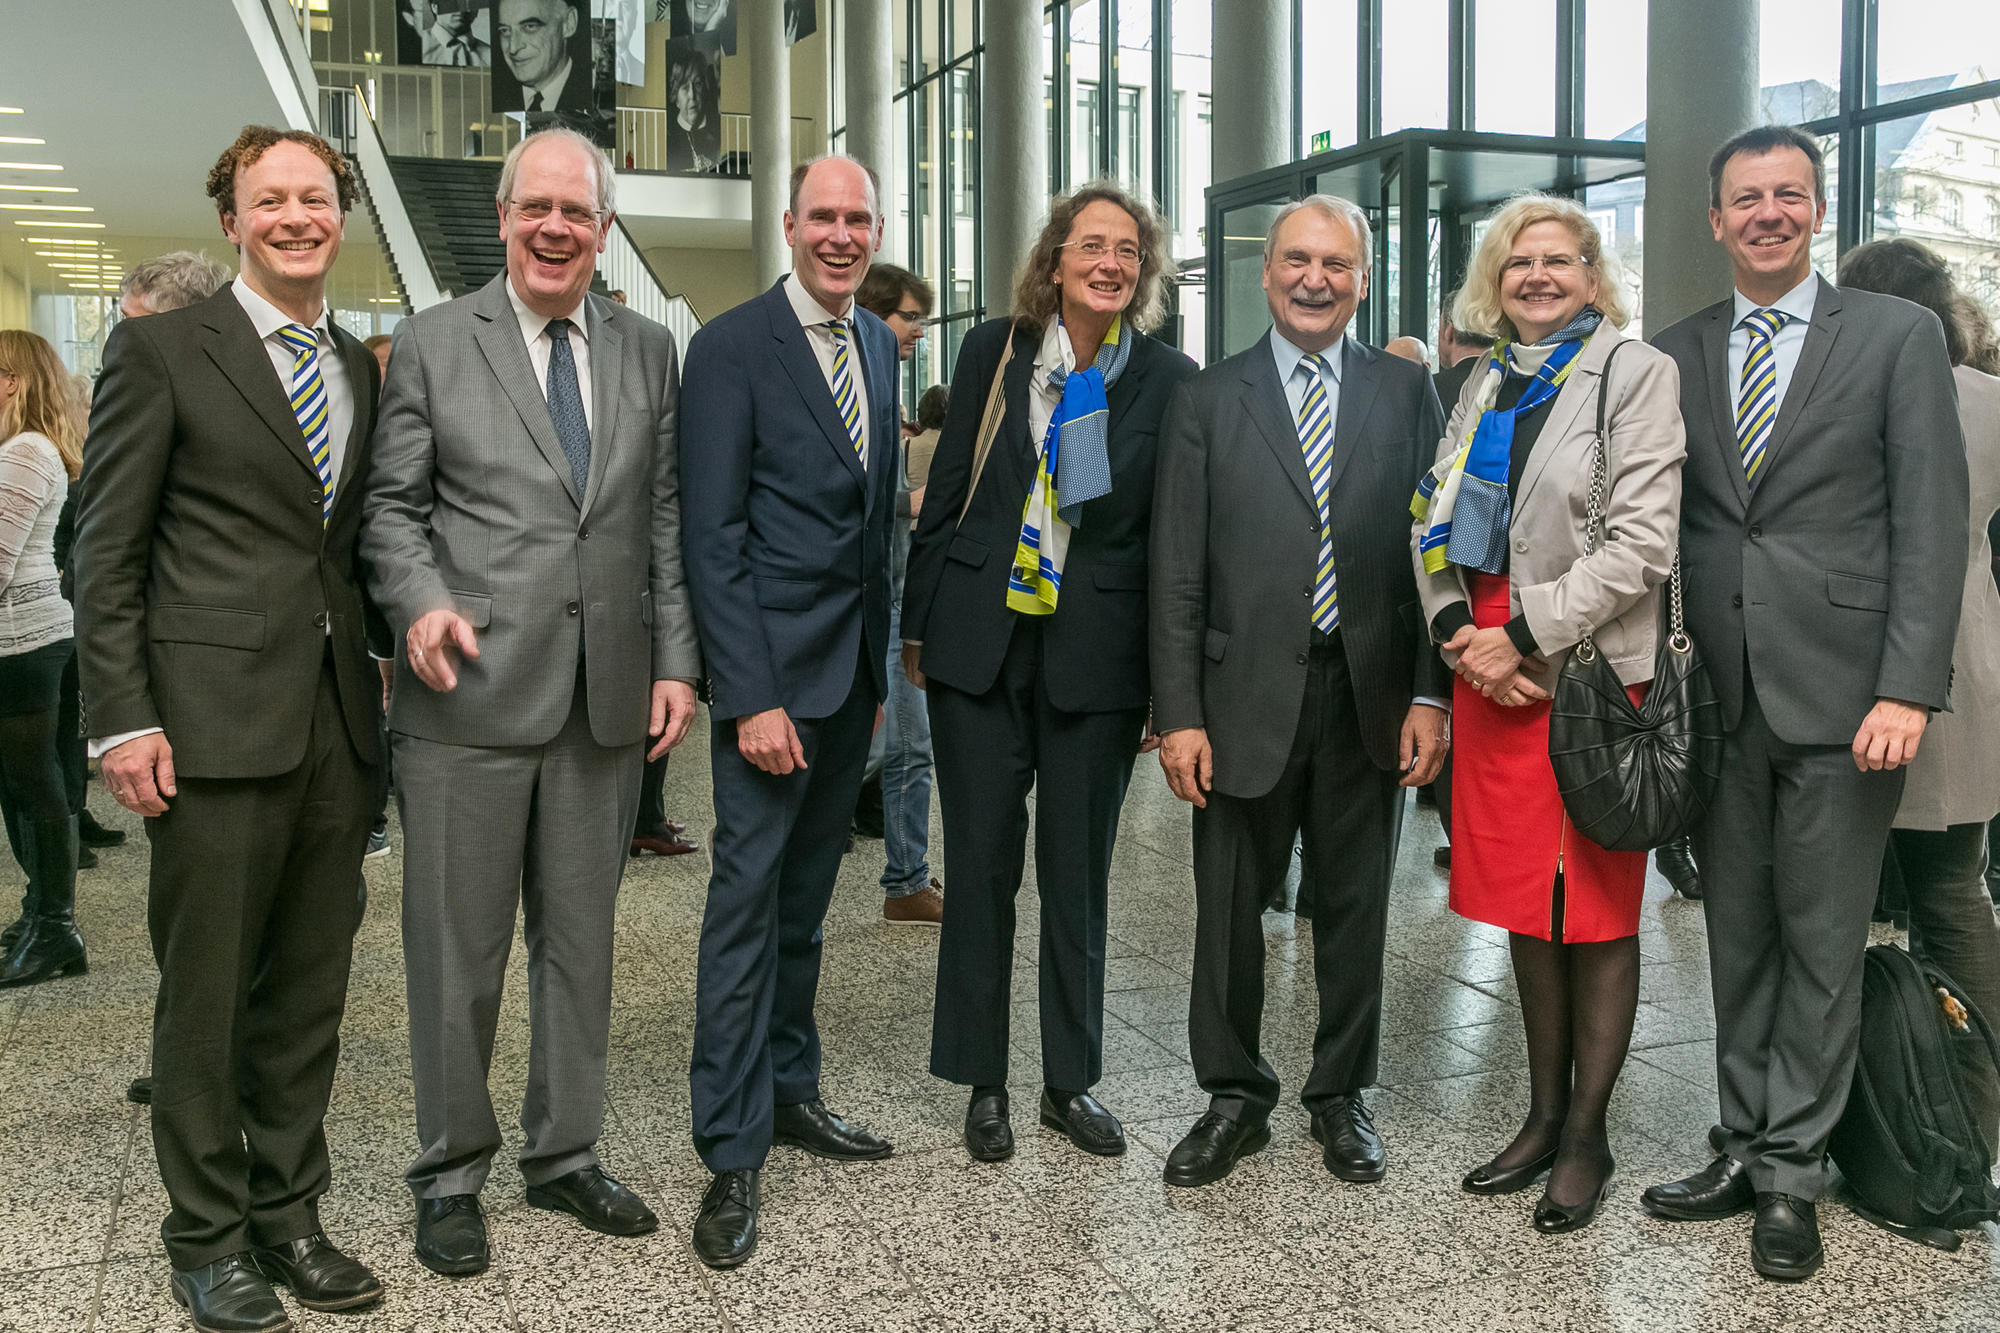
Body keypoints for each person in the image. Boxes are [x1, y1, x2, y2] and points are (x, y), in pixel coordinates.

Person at [361, 127, 700, 1277]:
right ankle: (451, 1170)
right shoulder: (429, 341)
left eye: (579, 211)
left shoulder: (649, 349)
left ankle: (564, 1155)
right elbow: (390, 513)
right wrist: (416, 602)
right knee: (457, 955)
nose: (556, 227)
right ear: (504, 216)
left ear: (604, 229)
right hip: (464, 701)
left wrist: (675, 662)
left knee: (582, 948)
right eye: (536, 207)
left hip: (603, 701)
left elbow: (659, 519)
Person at [75, 126, 389, 1332]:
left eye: (316, 197)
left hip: (334, 728)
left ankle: (288, 1212)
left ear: (339, 214)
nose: (296, 215)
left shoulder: (358, 368)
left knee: (309, 986)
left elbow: (344, 553)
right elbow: (107, 555)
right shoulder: (160, 350)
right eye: (272, 199)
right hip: (203, 727)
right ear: (233, 219)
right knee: (205, 993)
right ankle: (204, 1236)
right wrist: (120, 720)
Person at [1641, 125, 1967, 1283]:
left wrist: (1904, 687)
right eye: (1746, 197)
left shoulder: (1894, 336)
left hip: (1844, 702)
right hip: (1714, 701)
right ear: (1714, 221)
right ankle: (1738, 1137)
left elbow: (1929, 523)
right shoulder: (1668, 352)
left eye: (1788, 193)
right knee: (1737, 940)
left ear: (1816, 211)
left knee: (1824, 945)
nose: (1768, 212)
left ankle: (1791, 1173)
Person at [1149, 195, 1447, 1189]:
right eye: (1296, 261)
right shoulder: (1206, 397)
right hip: (1237, 699)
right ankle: (1231, 1095)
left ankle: (1339, 1094)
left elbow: (1430, 557)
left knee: (1355, 907)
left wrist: (1428, 693)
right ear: (1265, 272)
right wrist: (1179, 713)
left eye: (1336, 263)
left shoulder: (1406, 394)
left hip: (1365, 692)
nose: (1315, 278)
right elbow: (1176, 571)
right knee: (1229, 910)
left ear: (1362, 278)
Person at [904, 181, 1197, 1165]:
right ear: (1055, 257)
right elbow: (945, 501)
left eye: (1126, 250)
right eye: (1090, 245)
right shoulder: (994, 350)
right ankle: (982, 1082)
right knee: (980, 871)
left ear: (1142, 270)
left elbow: (1168, 540)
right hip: (979, 649)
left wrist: (1169, 682)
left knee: (1076, 879)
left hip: (1097, 658)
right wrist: (914, 634)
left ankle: (1068, 1083)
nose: (1108, 262)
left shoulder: (1164, 377)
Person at [1410, 194, 1684, 1233]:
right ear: (1495, 277)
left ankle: (1585, 1134)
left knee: (1598, 906)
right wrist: (1455, 639)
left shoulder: (1632, 372)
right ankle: (1535, 1115)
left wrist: (1515, 636)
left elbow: (1639, 545)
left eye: (1556, 261)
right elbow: (1426, 521)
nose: (1535, 276)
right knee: (1527, 901)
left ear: (1590, 273)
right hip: (1488, 674)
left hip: (1578, 673)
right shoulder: (1486, 379)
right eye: (1517, 261)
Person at [678, 155, 901, 1269]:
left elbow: (871, 537)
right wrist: (750, 696)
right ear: (787, 224)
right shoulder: (728, 348)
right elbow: (711, 538)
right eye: (823, 216)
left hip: (846, 683)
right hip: (769, 693)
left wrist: (873, 679)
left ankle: (790, 1090)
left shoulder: (873, 343)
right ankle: (729, 1146)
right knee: (744, 909)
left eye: (857, 218)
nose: (840, 235)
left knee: (804, 909)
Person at [1836, 238, 2000, 1157]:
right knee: (1955, 893)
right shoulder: (1988, 398)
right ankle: (1975, 1113)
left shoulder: (1853, 390)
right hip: (1967, 664)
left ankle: (1848, 1110)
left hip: (1852, 663)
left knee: (1831, 901)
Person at [853, 261, 943, 925]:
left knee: (909, 745)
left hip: (893, 596)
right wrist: (919, 501)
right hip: (874, 599)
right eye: (910, 318)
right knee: (900, 746)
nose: (917, 332)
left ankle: (907, 877)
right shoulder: (856, 382)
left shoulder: (884, 380)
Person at [0, 331, 85, 992]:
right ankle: (40, 915)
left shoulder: (27, 451)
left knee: (35, 784)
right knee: (24, 784)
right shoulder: (18, 449)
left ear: (16, 381)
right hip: (22, 637)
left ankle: (55, 927)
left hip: (24, 639)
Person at [497, 0, 591, 113]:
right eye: (505, 31)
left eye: (530, 27)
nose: (513, 48)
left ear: (568, 24)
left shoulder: (596, 96)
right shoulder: (493, 98)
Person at [665, 52, 721, 174]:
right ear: (676, 97)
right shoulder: (668, 140)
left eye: (697, 84)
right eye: (685, 87)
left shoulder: (718, 130)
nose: (692, 95)